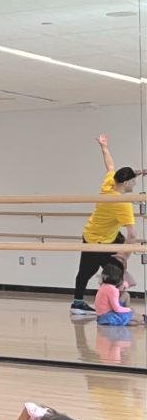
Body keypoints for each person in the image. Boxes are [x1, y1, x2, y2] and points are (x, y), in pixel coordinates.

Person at [71, 135, 138, 315]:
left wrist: (104, 147)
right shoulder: (123, 204)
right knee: (111, 271)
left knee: (95, 269)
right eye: (133, 181)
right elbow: (132, 233)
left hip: (95, 234)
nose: (136, 183)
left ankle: (84, 303)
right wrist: (125, 254)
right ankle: (108, 306)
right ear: (126, 183)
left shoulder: (109, 185)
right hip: (98, 240)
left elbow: (110, 166)